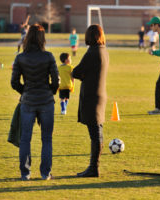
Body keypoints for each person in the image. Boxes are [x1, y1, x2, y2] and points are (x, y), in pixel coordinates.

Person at [11, 24, 59, 181]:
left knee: (25, 138)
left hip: (28, 101)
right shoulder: (48, 57)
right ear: (42, 38)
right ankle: (45, 173)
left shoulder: (20, 58)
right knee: (47, 139)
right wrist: (50, 91)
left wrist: (25, 92)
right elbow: (56, 81)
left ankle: (25, 173)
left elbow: (14, 82)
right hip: (46, 101)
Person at [72, 24, 109, 177]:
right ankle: (94, 167)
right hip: (100, 94)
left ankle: (94, 168)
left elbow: (76, 71)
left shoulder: (92, 52)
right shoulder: (104, 51)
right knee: (98, 132)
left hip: (91, 96)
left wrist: (81, 76)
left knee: (95, 134)